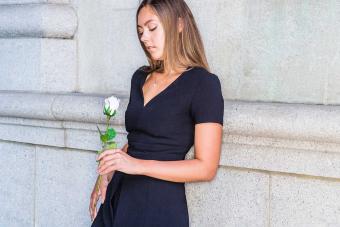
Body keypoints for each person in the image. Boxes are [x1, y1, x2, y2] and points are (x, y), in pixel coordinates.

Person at [89, 0, 224, 226]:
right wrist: (107, 171)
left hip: (159, 205)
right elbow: (138, 140)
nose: (143, 38)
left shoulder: (203, 84)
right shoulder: (140, 77)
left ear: (179, 24)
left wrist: (137, 165)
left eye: (152, 28)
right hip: (119, 194)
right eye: (140, 31)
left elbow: (206, 167)